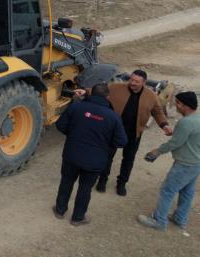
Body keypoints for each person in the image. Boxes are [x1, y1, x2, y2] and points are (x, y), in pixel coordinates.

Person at [53, 83, 128, 226]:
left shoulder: (76, 107)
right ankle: (78, 218)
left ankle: (59, 210)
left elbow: (60, 125)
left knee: (66, 182)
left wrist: (73, 135)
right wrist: (105, 144)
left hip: (72, 155)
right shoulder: (114, 117)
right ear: (107, 97)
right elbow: (121, 141)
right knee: (85, 188)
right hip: (95, 161)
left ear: (91, 93)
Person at [99, 70, 173, 196]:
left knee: (128, 159)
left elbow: (157, 111)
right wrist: (85, 91)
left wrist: (164, 125)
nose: (132, 83)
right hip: (114, 130)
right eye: (131, 80)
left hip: (134, 132)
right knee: (107, 156)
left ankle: (121, 183)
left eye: (136, 81)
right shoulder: (116, 88)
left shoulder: (150, 96)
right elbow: (99, 91)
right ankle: (102, 180)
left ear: (143, 82)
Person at [137, 91, 200, 231]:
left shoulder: (185, 122)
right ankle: (180, 218)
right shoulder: (198, 119)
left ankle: (159, 221)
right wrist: (177, 133)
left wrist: (157, 151)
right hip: (196, 163)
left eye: (177, 103)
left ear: (183, 105)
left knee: (167, 190)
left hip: (184, 164)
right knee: (187, 192)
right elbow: (188, 137)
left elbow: (175, 143)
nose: (176, 106)